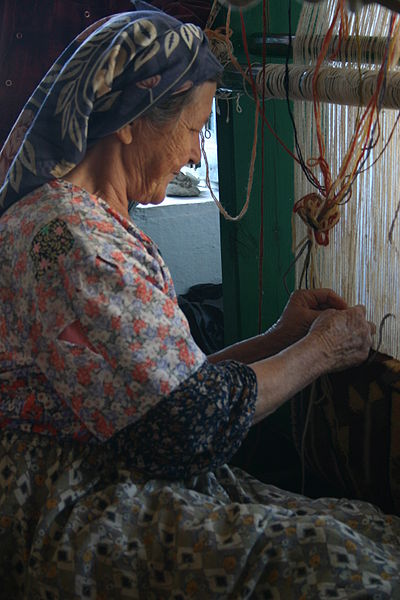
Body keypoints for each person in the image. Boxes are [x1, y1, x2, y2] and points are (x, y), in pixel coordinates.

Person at [0, 2, 399, 598]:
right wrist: (321, 352)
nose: (194, 154)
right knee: (342, 565)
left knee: (364, 531)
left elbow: (160, 391)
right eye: (194, 128)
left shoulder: (76, 222)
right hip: (65, 501)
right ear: (133, 118)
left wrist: (283, 335)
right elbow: (184, 424)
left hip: (105, 463)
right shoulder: (72, 242)